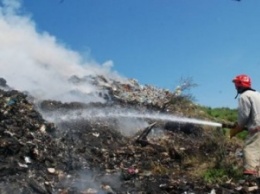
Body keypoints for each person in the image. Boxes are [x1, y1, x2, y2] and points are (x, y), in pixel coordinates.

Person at [230, 74, 260, 176]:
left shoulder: (244, 96)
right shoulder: (257, 94)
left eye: (236, 84)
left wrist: (235, 130)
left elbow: (243, 118)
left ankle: (251, 176)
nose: (235, 86)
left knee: (250, 149)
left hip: (257, 129)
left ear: (240, 84)